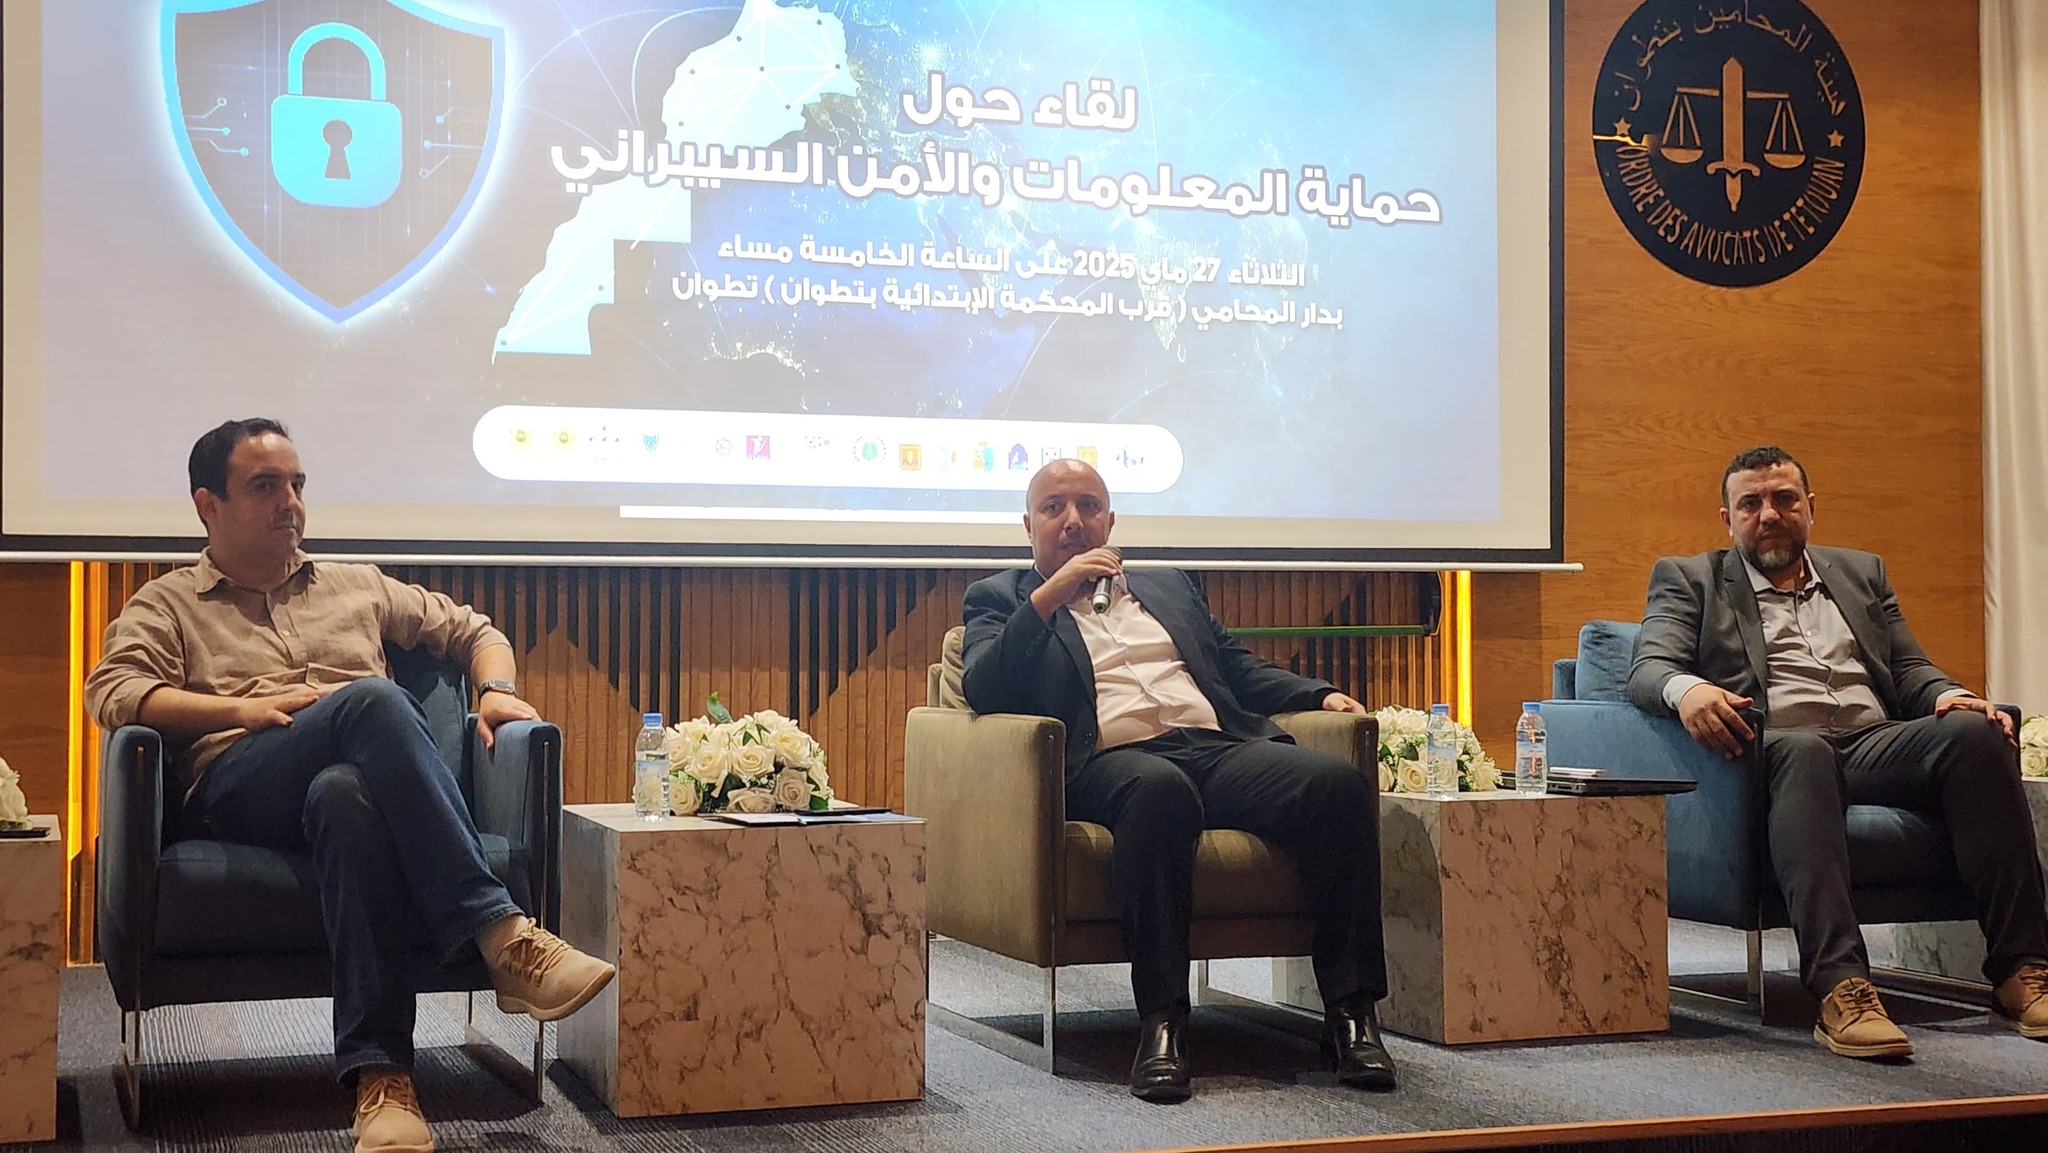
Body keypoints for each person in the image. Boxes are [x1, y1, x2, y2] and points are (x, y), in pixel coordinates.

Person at [84, 419, 617, 1153]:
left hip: (341, 791)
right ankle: (500, 931)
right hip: (240, 784)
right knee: (372, 699)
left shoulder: (356, 585)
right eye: (265, 486)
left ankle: (382, 1082)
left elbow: (474, 630)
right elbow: (113, 690)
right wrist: (238, 711)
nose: (290, 502)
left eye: (297, 484)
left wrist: (494, 689)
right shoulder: (169, 601)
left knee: (346, 796)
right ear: (209, 505)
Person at [961, 459, 1394, 1102]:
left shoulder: (1167, 587)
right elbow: (984, 686)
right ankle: (1163, 1024)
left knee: (1336, 785)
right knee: (1160, 791)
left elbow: (1232, 666)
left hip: (1214, 748)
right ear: (1029, 526)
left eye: (1088, 506)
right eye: (1055, 508)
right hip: (1110, 761)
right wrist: (1051, 595)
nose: (1074, 521)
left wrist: (1317, 694)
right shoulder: (999, 598)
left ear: (1111, 521)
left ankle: (1352, 1015)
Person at [1627, 445, 2048, 1059]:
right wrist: (1686, 689)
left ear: (1810, 507)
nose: (1769, 514)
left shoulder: (1860, 572)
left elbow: (1907, 668)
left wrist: (1949, 694)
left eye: (1784, 499)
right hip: (1779, 750)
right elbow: (1648, 668)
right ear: (1728, 519)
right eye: (1751, 504)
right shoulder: (1690, 579)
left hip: (1872, 743)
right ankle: (1841, 986)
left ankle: (2021, 972)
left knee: (1976, 734)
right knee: (1804, 751)